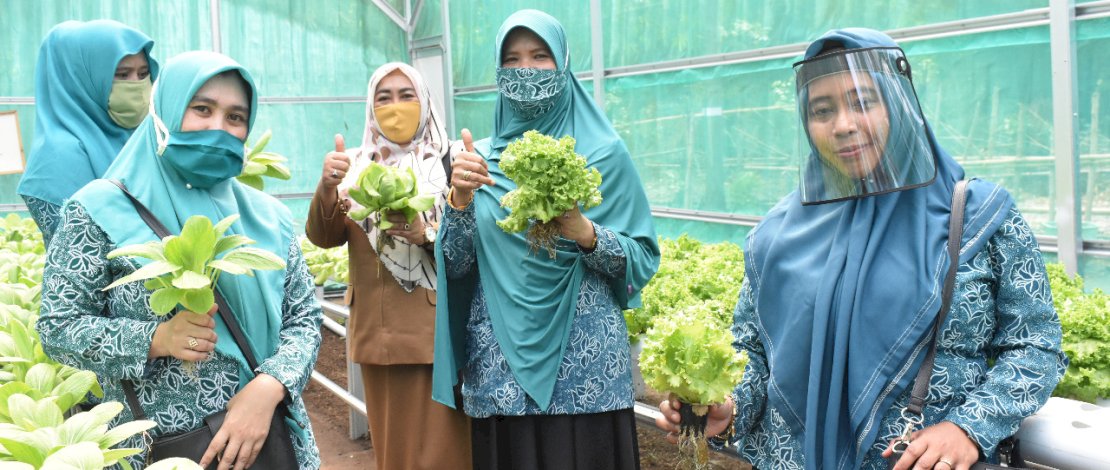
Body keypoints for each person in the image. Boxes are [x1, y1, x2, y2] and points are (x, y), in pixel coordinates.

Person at [656, 28, 1068, 470]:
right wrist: (729, 406)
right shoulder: (775, 235)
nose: (844, 125)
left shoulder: (977, 217)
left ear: (899, 103)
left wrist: (969, 428)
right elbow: (753, 349)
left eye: (863, 102)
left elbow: (1035, 346)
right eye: (822, 110)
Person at [37, 51, 322, 470]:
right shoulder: (98, 210)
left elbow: (304, 318)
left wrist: (269, 385)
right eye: (202, 109)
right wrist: (156, 338)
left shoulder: (268, 218)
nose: (218, 127)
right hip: (162, 453)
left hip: (271, 442)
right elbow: (57, 326)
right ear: (166, 109)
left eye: (235, 117)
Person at [431, 9, 661, 470]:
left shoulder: (604, 153)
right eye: (512, 59)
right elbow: (455, 267)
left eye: (540, 56)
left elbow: (641, 260)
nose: (526, 70)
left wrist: (587, 234)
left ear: (564, 63)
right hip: (501, 376)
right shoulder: (478, 162)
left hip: (587, 373)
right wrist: (458, 199)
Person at [305, 61, 472, 469]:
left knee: (444, 451)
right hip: (378, 334)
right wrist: (328, 187)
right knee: (393, 452)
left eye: (406, 95)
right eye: (384, 98)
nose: (395, 107)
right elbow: (324, 237)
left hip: (437, 331)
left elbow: (473, 244)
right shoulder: (356, 165)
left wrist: (427, 234)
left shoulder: (451, 161)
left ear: (425, 101)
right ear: (370, 107)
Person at [18, 19, 158, 246]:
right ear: (80, 80)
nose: (137, 85)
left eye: (143, 74)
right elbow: (79, 256)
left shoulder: (139, 137)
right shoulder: (58, 157)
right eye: (122, 75)